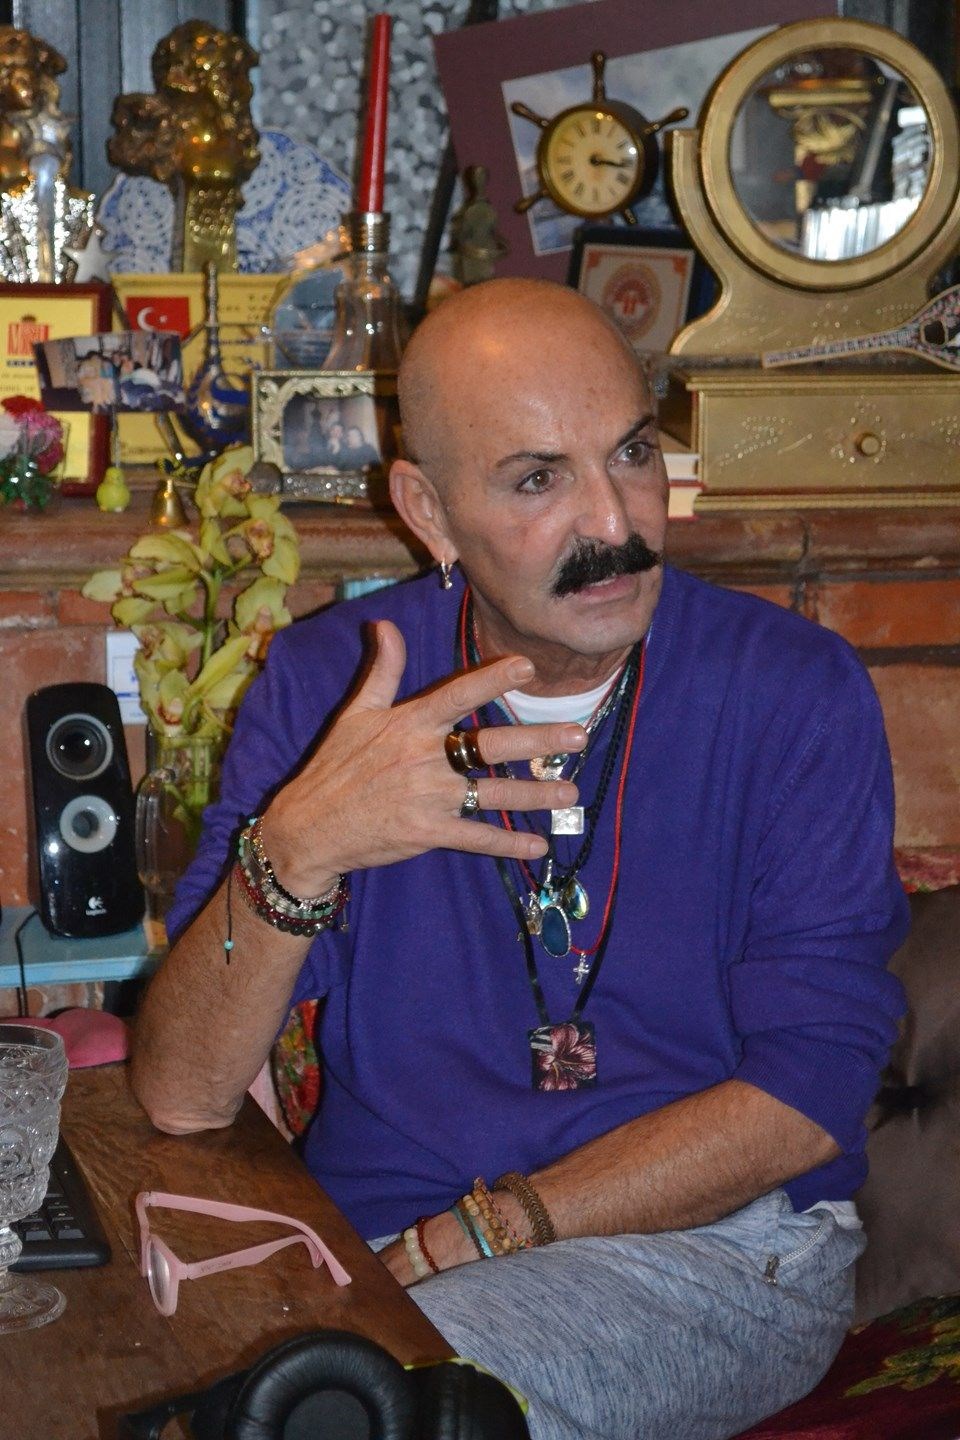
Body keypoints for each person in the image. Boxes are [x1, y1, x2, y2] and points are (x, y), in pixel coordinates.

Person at [132, 278, 909, 1440]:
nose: (614, 522)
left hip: (718, 1250)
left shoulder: (790, 688)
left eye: (632, 453)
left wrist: (489, 1231)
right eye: (539, 479)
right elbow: (183, 1094)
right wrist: (299, 846)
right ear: (428, 511)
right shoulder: (332, 685)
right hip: (372, 1249)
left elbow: (810, 1096)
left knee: (378, 1408)